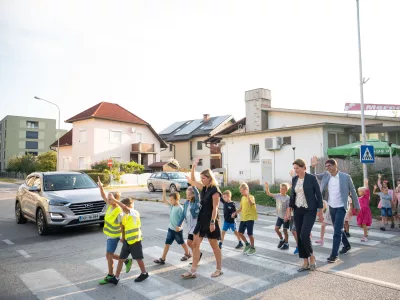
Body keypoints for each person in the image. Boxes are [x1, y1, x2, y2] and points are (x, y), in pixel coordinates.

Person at [311, 157, 360, 263]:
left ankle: (334, 255)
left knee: (337, 231)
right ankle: (346, 245)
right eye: (326, 166)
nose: (328, 168)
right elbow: (314, 176)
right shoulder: (326, 175)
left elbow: (353, 191)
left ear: (335, 165)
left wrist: (357, 206)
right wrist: (313, 167)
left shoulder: (345, 177)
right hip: (331, 206)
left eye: (330, 165)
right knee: (337, 228)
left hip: (341, 207)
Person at [181, 159, 223, 279]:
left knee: (214, 246)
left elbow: (215, 208)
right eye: (202, 178)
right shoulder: (204, 188)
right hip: (201, 219)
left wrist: (212, 222)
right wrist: (193, 167)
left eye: (203, 178)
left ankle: (219, 269)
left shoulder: (215, 191)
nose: (202, 180)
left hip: (211, 220)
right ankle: (193, 270)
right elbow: (193, 181)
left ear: (210, 178)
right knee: (195, 244)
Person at [289, 158, 323, 272]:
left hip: (310, 210)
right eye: (294, 169)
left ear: (304, 167)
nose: (296, 170)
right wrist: (289, 209)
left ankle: (312, 256)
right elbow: (292, 196)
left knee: (304, 234)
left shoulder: (311, 178)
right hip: (297, 210)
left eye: (297, 168)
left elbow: (318, 194)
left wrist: (320, 210)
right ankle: (305, 262)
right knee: (299, 235)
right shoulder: (294, 179)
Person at [97, 178, 132, 285]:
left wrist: (123, 237)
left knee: (109, 255)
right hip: (109, 235)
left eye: (110, 199)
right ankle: (126, 260)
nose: (107, 200)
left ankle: (111, 275)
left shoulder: (118, 210)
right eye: (108, 198)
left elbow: (122, 225)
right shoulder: (110, 205)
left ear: (115, 199)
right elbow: (103, 195)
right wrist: (101, 187)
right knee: (109, 255)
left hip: (114, 236)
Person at [108, 197, 149, 284]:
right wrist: (123, 237)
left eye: (123, 208)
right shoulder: (124, 215)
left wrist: (114, 200)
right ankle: (116, 278)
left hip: (135, 241)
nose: (122, 209)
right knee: (121, 259)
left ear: (128, 206)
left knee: (138, 258)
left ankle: (144, 273)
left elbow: (125, 208)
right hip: (127, 241)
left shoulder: (134, 213)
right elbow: (123, 226)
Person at [154, 184, 191, 265]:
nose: (170, 201)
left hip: (177, 230)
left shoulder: (180, 208)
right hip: (171, 229)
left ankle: (188, 253)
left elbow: (183, 219)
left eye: (171, 200)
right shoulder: (172, 206)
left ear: (176, 199)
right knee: (167, 243)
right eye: (170, 200)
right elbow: (164, 200)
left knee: (181, 242)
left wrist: (180, 226)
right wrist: (164, 191)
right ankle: (163, 259)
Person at [176, 176, 201, 262]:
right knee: (189, 243)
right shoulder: (186, 203)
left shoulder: (196, 202)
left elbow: (197, 194)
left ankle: (196, 258)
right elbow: (183, 215)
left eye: (190, 194)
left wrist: (193, 184)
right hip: (190, 227)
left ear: (193, 194)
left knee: (194, 243)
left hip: (196, 226)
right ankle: (198, 254)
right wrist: (178, 224)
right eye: (187, 194)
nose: (188, 196)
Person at [265, 182, 291, 250]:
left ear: (286, 190)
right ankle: (282, 240)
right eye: (280, 188)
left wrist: (287, 216)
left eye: (283, 189)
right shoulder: (278, 195)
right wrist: (267, 187)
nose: (281, 190)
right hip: (279, 216)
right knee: (276, 229)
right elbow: (268, 193)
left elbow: (288, 208)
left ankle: (286, 243)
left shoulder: (288, 198)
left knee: (285, 231)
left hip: (286, 217)